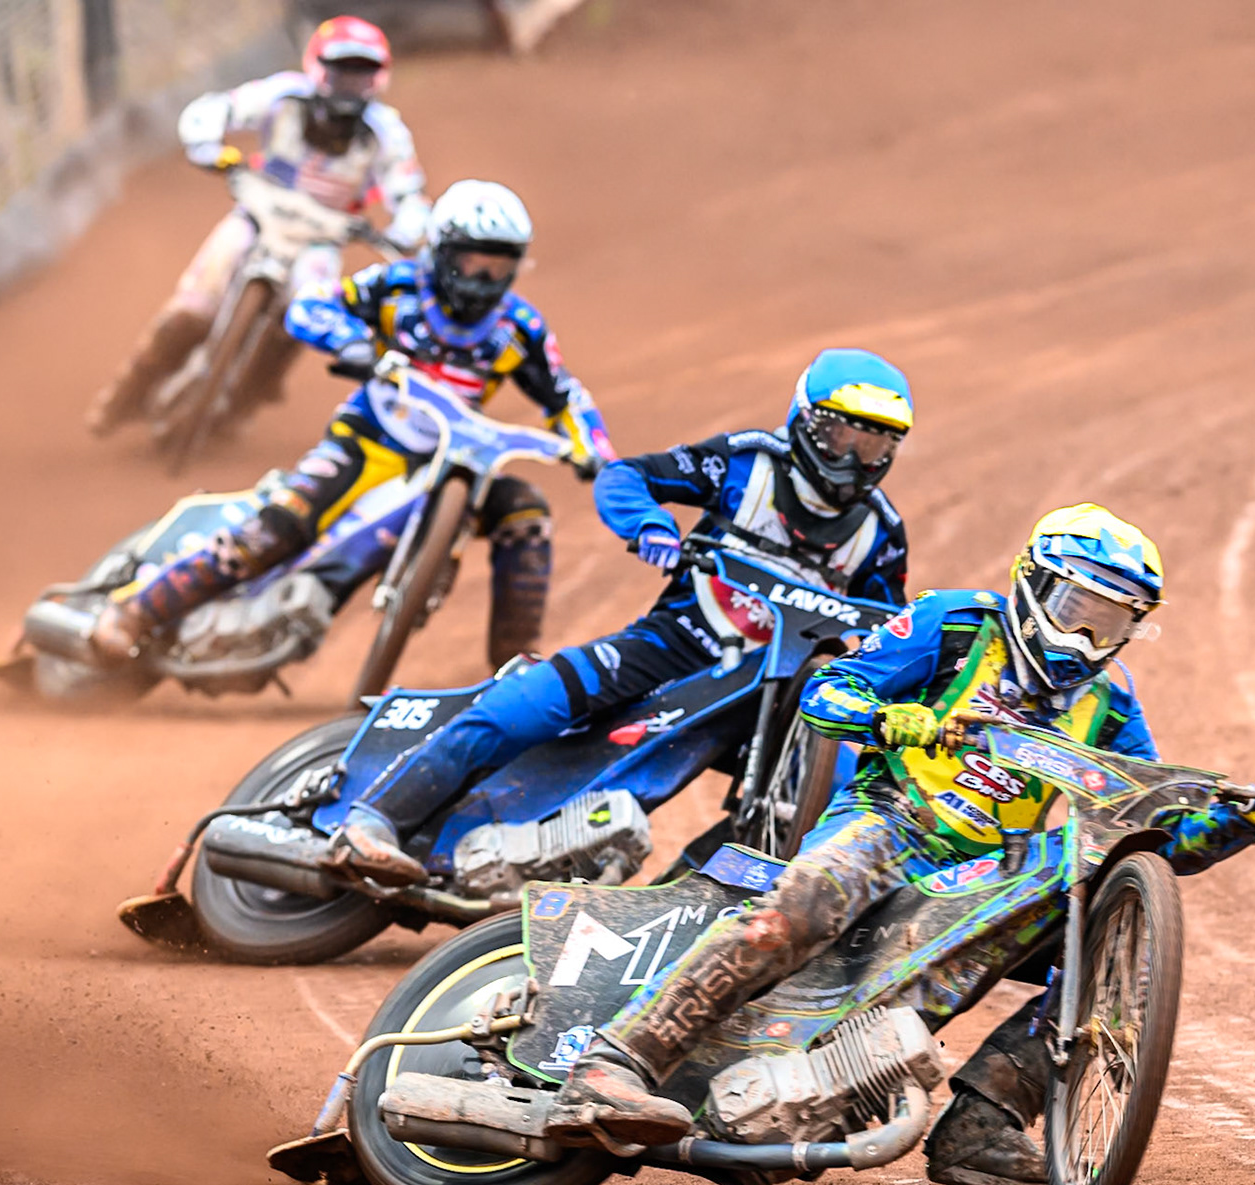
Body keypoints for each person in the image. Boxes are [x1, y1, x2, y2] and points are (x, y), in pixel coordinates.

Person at [546, 502, 1255, 1185]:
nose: (1086, 639)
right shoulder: (954, 625)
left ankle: (982, 1124)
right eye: (1077, 610)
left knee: (1104, 959)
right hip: (889, 817)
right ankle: (616, 1062)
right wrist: (886, 718)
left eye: (1112, 624)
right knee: (802, 906)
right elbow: (826, 692)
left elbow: (1142, 827)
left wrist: (1237, 822)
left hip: (985, 870)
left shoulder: (1110, 703)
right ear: (1035, 585)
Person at [330, 347, 915, 887]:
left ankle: (686, 907)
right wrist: (649, 524)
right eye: (843, 437)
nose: (854, 460)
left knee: (837, 785)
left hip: (771, 695)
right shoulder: (745, 463)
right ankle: (375, 818)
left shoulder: (881, 534)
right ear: (805, 421)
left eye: (875, 447)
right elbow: (628, 475)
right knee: (536, 700)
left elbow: (887, 633)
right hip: (675, 643)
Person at [88, 179, 613, 666]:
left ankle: (517, 667)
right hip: (366, 443)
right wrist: (352, 342)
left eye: (498, 268)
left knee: (526, 514)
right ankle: (135, 612)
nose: (482, 281)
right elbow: (311, 305)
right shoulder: (398, 287)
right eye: (473, 263)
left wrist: (594, 449)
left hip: (457, 461)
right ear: (441, 251)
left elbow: (564, 393)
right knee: (277, 529)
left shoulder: (519, 327)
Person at [86, 16, 430, 436]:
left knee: (308, 307)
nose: (349, 84)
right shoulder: (283, 96)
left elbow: (408, 192)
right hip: (258, 215)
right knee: (193, 305)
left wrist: (406, 230)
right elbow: (219, 109)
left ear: (378, 78)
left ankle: (254, 389)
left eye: (361, 74)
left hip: (320, 239)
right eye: (342, 72)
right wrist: (206, 145)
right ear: (318, 67)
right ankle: (128, 391)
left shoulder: (386, 132)